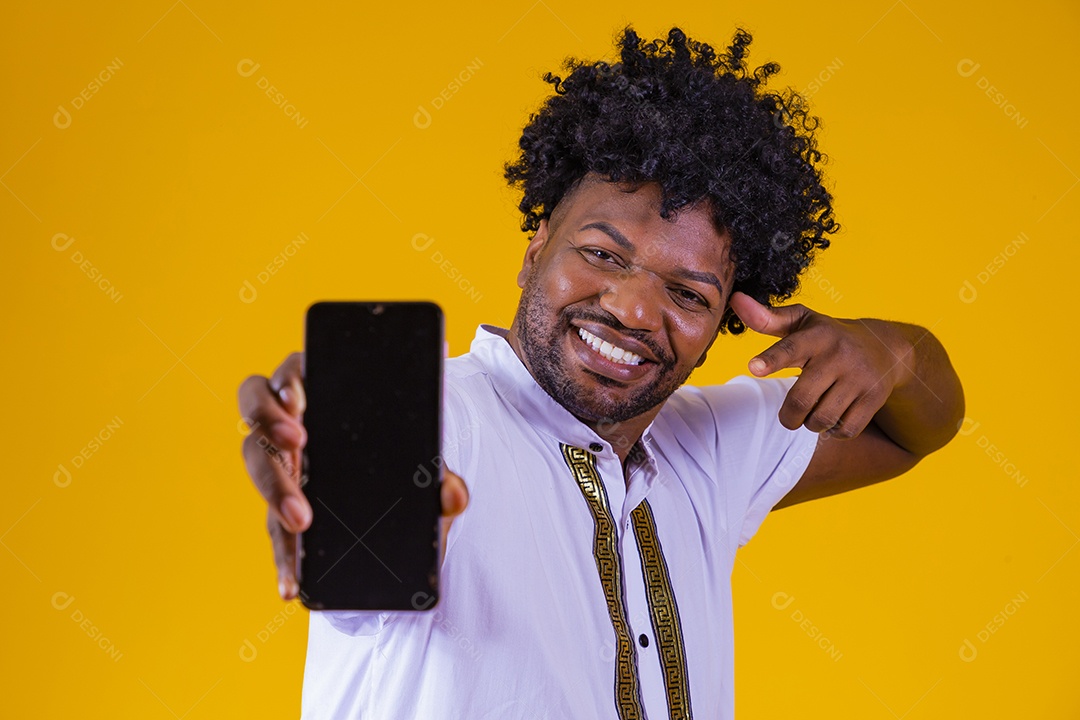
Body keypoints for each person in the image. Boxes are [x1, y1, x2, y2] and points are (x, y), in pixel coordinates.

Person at [237, 25, 964, 719]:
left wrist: (894, 352)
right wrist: (330, 455)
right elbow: (356, 531)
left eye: (688, 295)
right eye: (603, 255)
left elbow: (915, 430)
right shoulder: (446, 422)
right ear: (535, 251)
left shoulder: (709, 450)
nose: (634, 310)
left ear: (723, 324)